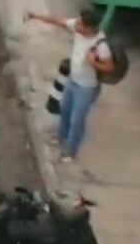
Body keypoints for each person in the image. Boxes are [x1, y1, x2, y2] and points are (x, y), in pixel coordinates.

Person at [23, 8, 115, 162]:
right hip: (73, 80)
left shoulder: (100, 45)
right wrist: (35, 16)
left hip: (86, 88)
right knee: (65, 109)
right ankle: (60, 137)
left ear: (89, 28)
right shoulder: (79, 29)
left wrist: (93, 62)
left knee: (77, 120)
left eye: (80, 24)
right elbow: (57, 20)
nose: (75, 25)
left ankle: (70, 152)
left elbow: (109, 66)